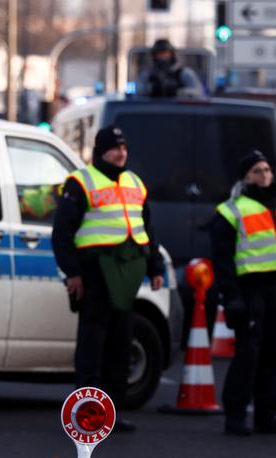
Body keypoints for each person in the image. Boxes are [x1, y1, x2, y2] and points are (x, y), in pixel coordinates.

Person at [52, 125, 165, 432]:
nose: (122, 152)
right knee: (92, 346)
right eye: (115, 147)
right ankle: (86, 412)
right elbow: (62, 232)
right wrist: (73, 273)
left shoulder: (135, 183)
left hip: (127, 275)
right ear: (102, 150)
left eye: (124, 147)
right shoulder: (80, 183)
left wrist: (156, 267)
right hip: (94, 274)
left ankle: (110, 414)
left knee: (120, 346)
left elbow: (148, 231)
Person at [211, 150, 276, 436]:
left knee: (272, 354)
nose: (264, 175)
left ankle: (266, 416)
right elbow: (223, 260)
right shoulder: (231, 211)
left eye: (266, 170)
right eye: (256, 171)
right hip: (249, 289)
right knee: (248, 354)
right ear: (245, 177)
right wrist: (232, 298)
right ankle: (236, 415)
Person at [136, 38, 205, 97]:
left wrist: (178, 92)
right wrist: (152, 89)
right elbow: (137, 93)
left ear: (172, 55)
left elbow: (198, 92)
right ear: (154, 56)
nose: (163, 58)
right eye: (160, 54)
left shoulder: (184, 73)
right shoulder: (147, 75)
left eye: (166, 54)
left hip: (179, 110)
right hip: (152, 109)